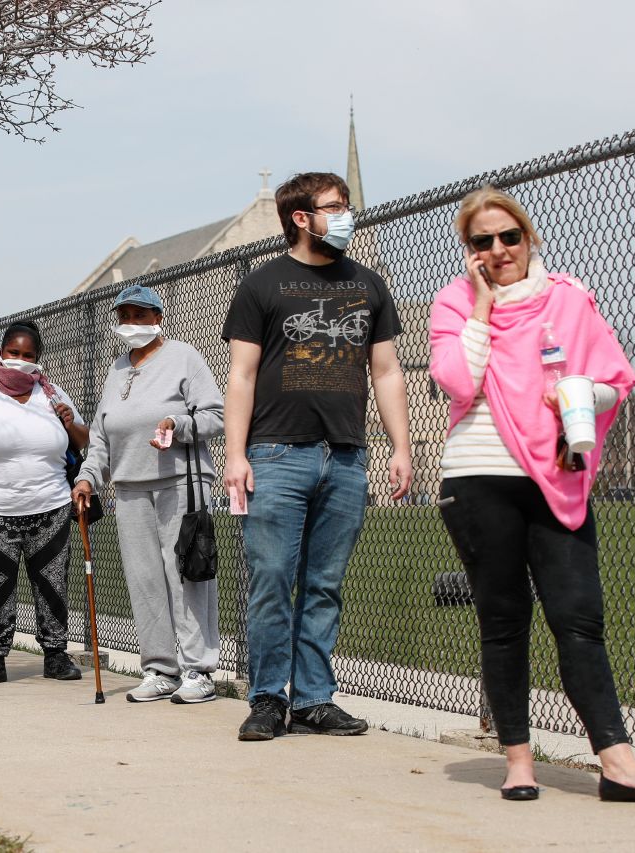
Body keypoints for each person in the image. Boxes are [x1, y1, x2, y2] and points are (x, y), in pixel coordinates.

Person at [428, 186, 635, 804]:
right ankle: (519, 761)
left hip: (555, 472)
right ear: (470, 252)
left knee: (578, 616)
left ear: (528, 236)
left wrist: (576, 392)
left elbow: (615, 382)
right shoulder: (455, 302)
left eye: (508, 237)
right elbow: (457, 383)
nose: (498, 251)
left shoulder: (570, 300)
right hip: (478, 475)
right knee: (503, 617)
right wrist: (484, 310)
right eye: (481, 242)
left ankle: (618, 764)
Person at [222, 171, 412, 741]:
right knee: (272, 579)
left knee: (325, 584)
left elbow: (386, 370)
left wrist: (400, 446)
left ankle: (313, 699)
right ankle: (266, 699)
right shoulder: (263, 284)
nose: (346, 214)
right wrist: (236, 454)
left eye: (347, 205)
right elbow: (241, 374)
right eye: (334, 206)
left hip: (347, 457)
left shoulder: (369, 285)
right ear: (301, 218)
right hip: (276, 455)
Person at [72, 285, 225, 704]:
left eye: (141, 315)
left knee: (186, 575)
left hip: (181, 482)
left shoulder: (184, 356)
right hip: (128, 488)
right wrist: (88, 477)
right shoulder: (117, 368)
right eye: (125, 316)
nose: (133, 324)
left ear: (158, 317)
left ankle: (199, 670)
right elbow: (101, 435)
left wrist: (178, 425)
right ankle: (160, 669)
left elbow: (214, 415)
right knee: (144, 581)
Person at [0, 320, 89, 686]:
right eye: (14, 353)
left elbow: (84, 440)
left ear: (38, 358)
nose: (20, 361)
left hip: (51, 507)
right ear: (0, 353)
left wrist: (70, 422)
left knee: (53, 585)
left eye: (28, 355)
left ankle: (56, 654)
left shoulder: (52, 394)